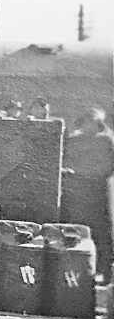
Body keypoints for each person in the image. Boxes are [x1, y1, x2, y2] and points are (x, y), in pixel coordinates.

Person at [62, 108, 114, 285]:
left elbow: (107, 167)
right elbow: (64, 161)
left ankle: (102, 272)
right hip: (77, 195)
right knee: (76, 232)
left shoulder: (106, 141)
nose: (90, 126)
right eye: (87, 122)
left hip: (97, 194)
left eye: (94, 123)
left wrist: (82, 173)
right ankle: (74, 272)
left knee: (100, 234)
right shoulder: (73, 141)